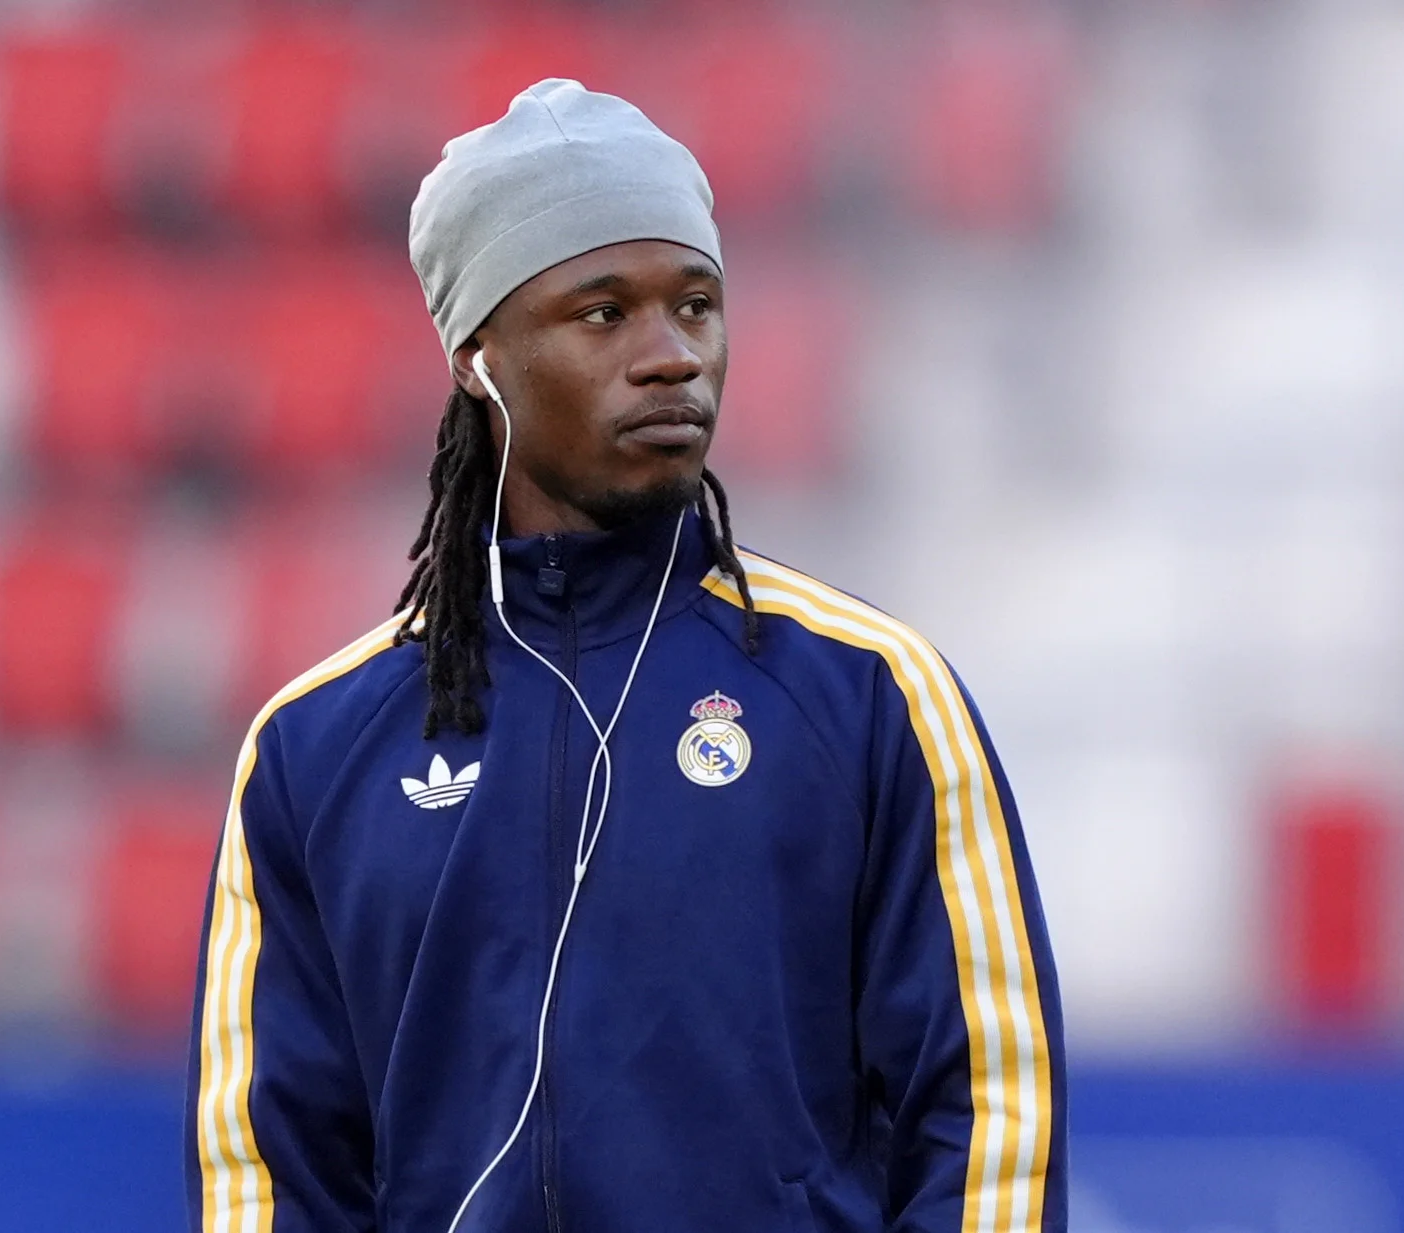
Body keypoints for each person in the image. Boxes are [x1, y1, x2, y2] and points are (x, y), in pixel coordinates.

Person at [188, 79, 1066, 1233]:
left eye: (695, 305)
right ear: (476, 356)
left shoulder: (867, 692)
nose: (670, 357)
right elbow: (272, 1168)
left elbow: (990, 1113)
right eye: (602, 313)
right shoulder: (315, 746)